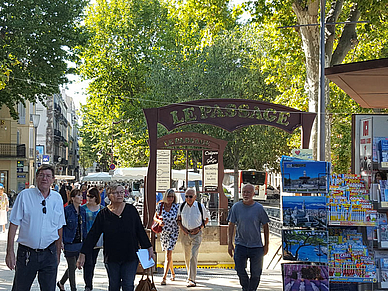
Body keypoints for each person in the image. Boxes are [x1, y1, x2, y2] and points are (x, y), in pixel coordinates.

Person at [77, 183, 154, 291]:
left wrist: (149, 247)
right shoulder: (103, 214)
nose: (120, 195)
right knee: (114, 286)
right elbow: (93, 235)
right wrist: (83, 253)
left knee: (128, 285)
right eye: (116, 192)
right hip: (112, 257)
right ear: (109, 196)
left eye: (122, 192)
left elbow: (140, 230)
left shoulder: (131, 210)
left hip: (130, 255)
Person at [5, 164, 66, 290]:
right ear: (36, 178)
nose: (44, 178)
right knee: (20, 288)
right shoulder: (25, 195)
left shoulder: (57, 198)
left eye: (48, 176)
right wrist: (9, 251)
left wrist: (58, 252)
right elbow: (14, 224)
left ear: (53, 179)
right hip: (27, 254)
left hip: (49, 253)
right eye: (41, 175)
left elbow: (59, 227)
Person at [227, 184, 270, 291]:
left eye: (248, 192)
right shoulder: (236, 207)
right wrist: (229, 244)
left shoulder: (259, 208)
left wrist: (266, 244)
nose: (246, 194)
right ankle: (246, 288)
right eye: (244, 192)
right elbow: (231, 225)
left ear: (253, 194)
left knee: (256, 273)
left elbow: (266, 226)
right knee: (240, 270)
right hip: (240, 245)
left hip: (256, 246)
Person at [177, 188, 209, 287]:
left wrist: (199, 228)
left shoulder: (200, 206)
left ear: (195, 197)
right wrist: (182, 228)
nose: (188, 198)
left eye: (190, 196)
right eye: (186, 196)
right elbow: (178, 219)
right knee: (187, 256)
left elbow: (206, 219)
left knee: (193, 255)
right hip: (185, 234)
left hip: (197, 233)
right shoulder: (182, 206)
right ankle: (189, 276)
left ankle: (192, 279)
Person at [57, 189, 87, 291]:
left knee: (73, 267)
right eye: (78, 196)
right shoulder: (67, 210)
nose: (81, 197)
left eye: (81, 195)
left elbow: (84, 227)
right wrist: (61, 241)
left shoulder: (83, 210)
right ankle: (73, 288)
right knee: (72, 266)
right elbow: (61, 226)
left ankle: (61, 283)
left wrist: (86, 242)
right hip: (69, 242)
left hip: (80, 242)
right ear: (73, 198)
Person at [153, 189, 180, 285]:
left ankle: (164, 277)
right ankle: (173, 273)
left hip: (173, 232)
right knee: (168, 254)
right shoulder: (160, 206)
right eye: (169, 196)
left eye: (172, 196)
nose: (170, 198)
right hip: (164, 232)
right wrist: (159, 221)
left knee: (168, 252)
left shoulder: (176, 207)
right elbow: (154, 217)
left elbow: (180, 218)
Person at [81, 187, 104, 291]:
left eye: (91, 196)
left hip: (98, 240)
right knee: (88, 263)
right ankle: (88, 285)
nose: (89, 198)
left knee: (93, 262)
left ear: (96, 197)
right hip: (86, 239)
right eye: (87, 196)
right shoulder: (83, 208)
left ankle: (89, 282)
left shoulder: (102, 209)